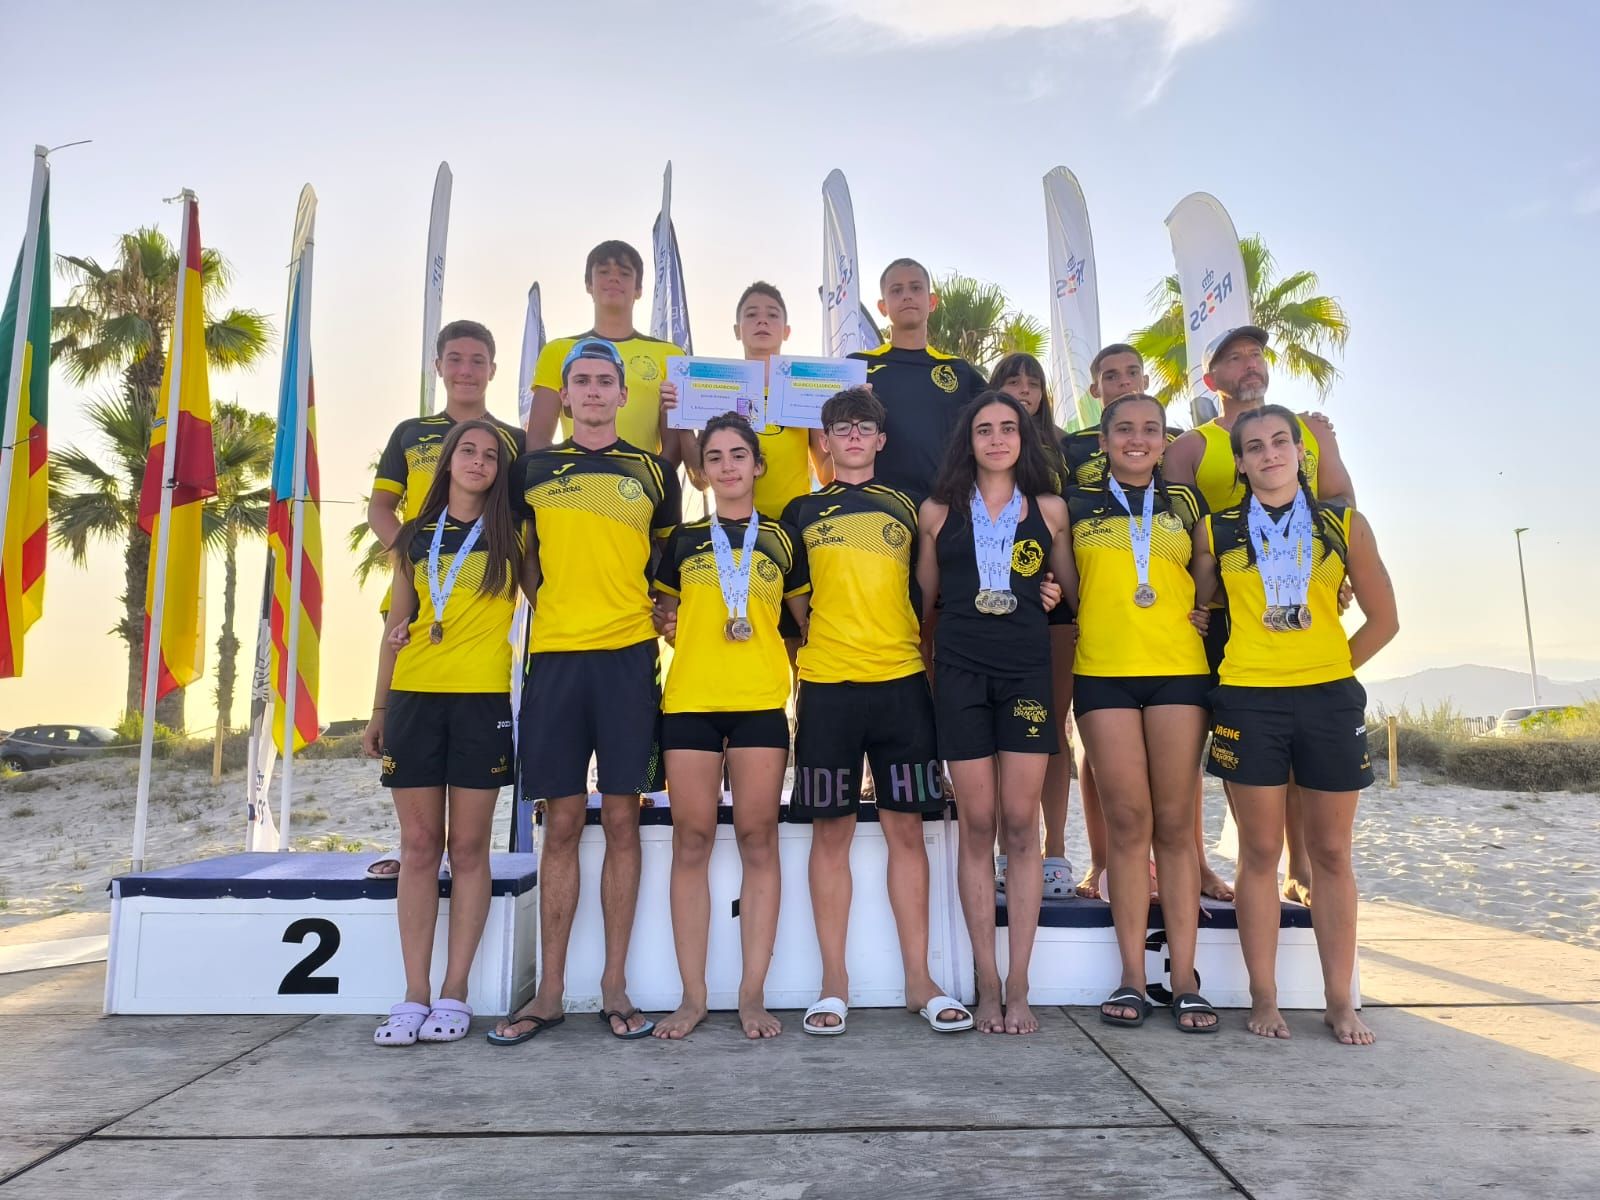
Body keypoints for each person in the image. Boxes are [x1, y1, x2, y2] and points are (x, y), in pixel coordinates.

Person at [490, 338, 682, 1045]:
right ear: (564, 396)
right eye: (583, 381)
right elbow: (520, 557)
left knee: (624, 821)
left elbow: (669, 557)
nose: (596, 391)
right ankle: (548, 993)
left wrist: (656, 610)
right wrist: (553, 607)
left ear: (623, 396)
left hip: (629, 661)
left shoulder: (654, 473)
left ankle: (614, 986)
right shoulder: (532, 469)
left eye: (607, 381)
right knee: (563, 825)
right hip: (556, 662)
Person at [1196, 404, 1396, 1044]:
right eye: (1254, 447)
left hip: (1328, 700)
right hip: (1249, 699)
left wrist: (1329, 669)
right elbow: (1203, 610)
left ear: (1301, 453)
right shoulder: (1217, 529)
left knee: (1332, 854)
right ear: (1242, 462)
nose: (1269, 454)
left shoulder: (1343, 524)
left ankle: (1341, 1001)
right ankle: (1265, 996)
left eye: (1280, 441)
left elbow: (1385, 620)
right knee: (1259, 854)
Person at [783, 387, 973, 1036]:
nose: (855, 435)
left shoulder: (909, 507)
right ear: (826, 442)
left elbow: (926, 593)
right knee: (829, 835)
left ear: (881, 440)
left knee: (907, 834)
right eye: (841, 427)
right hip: (829, 688)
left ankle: (921, 981)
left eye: (865, 426)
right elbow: (798, 606)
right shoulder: (801, 509)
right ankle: (833, 985)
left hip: (901, 684)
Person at [1166, 326, 1356, 907]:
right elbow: (1170, 534)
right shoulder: (1192, 446)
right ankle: (1199, 864)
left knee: (1301, 744)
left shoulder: (1310, 429)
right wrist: (1193, 604)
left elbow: (1342, 503)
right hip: (1230, 613)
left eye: (1255, 354)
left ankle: (1301, 866)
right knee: (1207, 747)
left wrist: (1339, 569)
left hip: (1303, 607)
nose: (1249, 364)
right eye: (1233, 358)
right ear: (1211, 378)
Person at [916, 391, 1074, 1035]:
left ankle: (1021, 984)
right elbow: (925, 606)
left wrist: (1054, 588)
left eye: (1009, 428)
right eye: (985, 429)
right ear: (968, 440)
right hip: (959, 671)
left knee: (1020, 823)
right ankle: (986, 982)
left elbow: (1068, 596)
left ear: (1024, 439)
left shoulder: (1051, 510)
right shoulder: (936, 512)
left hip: (1025, 672)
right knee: (976, 823)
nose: (998, 439)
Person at [363, 419, 524, 1045]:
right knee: (420, 847)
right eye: (468, 451)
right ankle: (413, 994)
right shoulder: (413, 536)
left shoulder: (516, 535)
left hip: (482, 702)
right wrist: (378, 709)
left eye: (490, 454)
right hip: (414, 701)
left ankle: (455, 991)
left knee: (470, 850)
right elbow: (395, 627)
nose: (478, 461)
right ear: (447, 462)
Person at [650, 413, 808, 1040]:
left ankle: (751, 996)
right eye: (714, 457)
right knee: (691, 841)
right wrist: (669, 621)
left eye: (739, 454)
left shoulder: (782, 540)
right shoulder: (684, 540)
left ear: (758, 465)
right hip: (689, 701)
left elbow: (805, 624)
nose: (728, 466)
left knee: (758, 840)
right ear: (704, 470)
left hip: (761, 703)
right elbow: (664, 612)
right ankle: (692, 997)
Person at [1069, 394, 1217, 1031]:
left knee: (1177, 826)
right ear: (1103, 440)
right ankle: (1132, 976)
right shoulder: (1074, 505)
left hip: (1178, 671)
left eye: (1150, 430)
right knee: (1127, 824)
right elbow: (1069, 582)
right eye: (1123, 429)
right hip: (1103, 673)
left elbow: (1208, 562)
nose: (1137, 439)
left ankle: (1183, 979)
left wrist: (1202, 604)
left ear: (1164, 441)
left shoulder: (1185, 503)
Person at [364, 320, 526, 880]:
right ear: (438, 366)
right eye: (454, 359)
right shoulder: (410, 432)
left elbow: (528, 521)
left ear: (492, 371)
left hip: (485, 595)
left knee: (470, 840)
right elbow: (380, 508)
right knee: (420, 824)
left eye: (477, 361)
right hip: (424, 587)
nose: (465, 370)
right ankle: (410, 855)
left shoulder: (514, 440)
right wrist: (414, 552)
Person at [666, 282, 831, 670]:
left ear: (787, 330)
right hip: (731, 538)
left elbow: (826, 472)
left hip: (791, 539)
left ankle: (798, 732)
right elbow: (698, 476)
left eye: (773, 314)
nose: (762, 321)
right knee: (733, 648)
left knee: (798, 650)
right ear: (737, 329)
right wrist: (678, 416)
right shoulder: (714, 387)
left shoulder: (804, 390)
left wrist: (844, 420)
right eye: (751, 314)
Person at [991, 352, 1077, 900]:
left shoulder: (1064, 449)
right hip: (997, 604)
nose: (1025, 390)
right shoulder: (982, 446)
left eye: (1033, 383)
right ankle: (1008, 847)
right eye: (1012, 382)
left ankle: (1057, 851)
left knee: (1052, 728)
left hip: (1055, 604)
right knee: (1004, 732)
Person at [526, 240, 684, 464]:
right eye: (603, 271)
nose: (613, 278)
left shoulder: (670, 355)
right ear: (589, 285)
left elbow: (675, 442)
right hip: (574, 487)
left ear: (639, 289)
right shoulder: (558, 351)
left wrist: (654, 483)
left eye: (625, 273)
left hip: (641, 490)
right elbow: (538, 438)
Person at [850, 259, 987, 500]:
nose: (907, 296)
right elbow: (822, 430)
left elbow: (1012, 415)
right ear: (883, 306)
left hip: (946, 507)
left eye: (915, 288)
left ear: (932, 301)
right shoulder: (858, 365)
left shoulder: (958, 370)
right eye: (896, 290)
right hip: (877, 507)